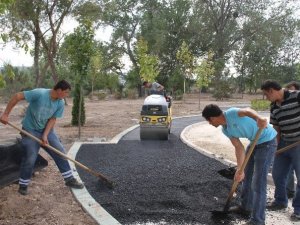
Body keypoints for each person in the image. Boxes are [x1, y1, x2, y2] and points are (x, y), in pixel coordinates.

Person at [0, 80, 84, 195]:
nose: (67, 95)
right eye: (66, 92)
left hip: (46, 130)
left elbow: (53, 119)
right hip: (30, 130)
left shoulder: (59, 103)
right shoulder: (40, 94)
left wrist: (45, 135)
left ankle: (69, 179)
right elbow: (17, 96)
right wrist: (5, 114)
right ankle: (23, 185)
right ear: (59, 90)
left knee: (60, 151)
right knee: (30, 156)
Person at [202, 104, 277, 225]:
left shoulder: (232, 113)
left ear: (212, 117)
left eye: (208, 120)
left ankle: (258, 220)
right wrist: (239, 170)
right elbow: (238, 147)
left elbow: (247, 111)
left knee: (258, 182)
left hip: (267, 142)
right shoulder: (225, 129)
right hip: (254, 143)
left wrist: (258, 118)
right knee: (245, 176)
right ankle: (246, 207)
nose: (209, 123)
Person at [261, 80, 300, 221]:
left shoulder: (297, 96)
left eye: (266, 94)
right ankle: (280, 201)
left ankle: (298, 210)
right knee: (277, 174)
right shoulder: (273, 106)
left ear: (272, 90)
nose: (266, 98)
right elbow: (276, 128)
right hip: (284, 143)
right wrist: (277, 147)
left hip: (298, 143)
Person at [284, 81, 300, 199]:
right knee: (287, 170)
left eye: (291, 90)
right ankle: (289, 191)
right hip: (286, 142)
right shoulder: (280, 105)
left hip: (298, 143)